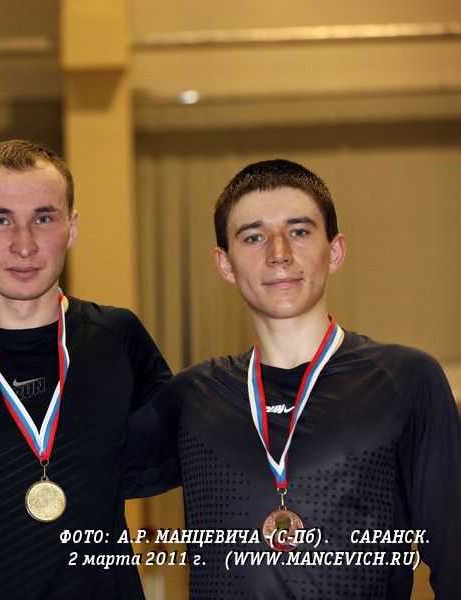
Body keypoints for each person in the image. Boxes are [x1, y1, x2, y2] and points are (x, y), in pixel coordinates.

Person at [171, 159, 459, 598]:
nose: (279, 253)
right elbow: (88, 471)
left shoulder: (406, 380)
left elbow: (454, 557)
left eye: (300, 231)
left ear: (335, 252)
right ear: (225, 264)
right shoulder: (194, 395)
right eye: (253, 237)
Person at [0, 139, 179, 599]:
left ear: (72, 228)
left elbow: (172, 457)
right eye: (0, 219)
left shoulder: (118, 337)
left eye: (44, 218)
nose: (24, 244)